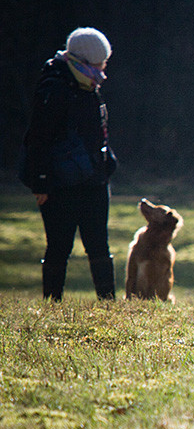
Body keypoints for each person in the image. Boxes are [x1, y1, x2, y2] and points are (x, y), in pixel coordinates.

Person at [19, 27, 118, 302]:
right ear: (86, 61)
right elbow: (38, 139)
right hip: (58, 185)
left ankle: (108, 303)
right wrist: (39, 182)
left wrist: (107, 163)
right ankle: (52, 304)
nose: (104, 68)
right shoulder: (54, 88)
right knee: (59, 246)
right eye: (101, 62)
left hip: (93, 181)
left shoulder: (89, 86)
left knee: (99, 244)